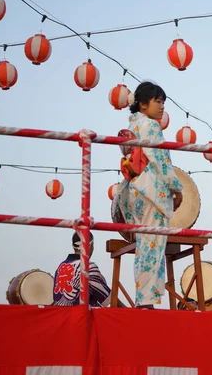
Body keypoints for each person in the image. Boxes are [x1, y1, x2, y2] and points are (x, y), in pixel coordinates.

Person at [117, 81, 184, 309]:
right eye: (158, 102)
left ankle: (143, 298)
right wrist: (176, 187)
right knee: (153, 246)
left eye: (163, 102)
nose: (162, 107)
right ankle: (146, 300)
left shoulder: (133, 125)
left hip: (135, 190)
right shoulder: (151, 127)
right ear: (143, 104)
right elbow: (161, 161)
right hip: (151, 192)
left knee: (144, 247)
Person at [52, 232, 113, 307]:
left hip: (61, 316)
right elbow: (109, 299)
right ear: (89, 245)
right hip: (80, 317)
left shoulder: (60, 267)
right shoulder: (88, 266)